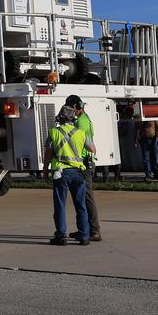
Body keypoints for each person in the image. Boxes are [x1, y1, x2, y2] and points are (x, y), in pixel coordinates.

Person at [44, 104, 94, 246]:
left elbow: (48, 153)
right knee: (81, 205)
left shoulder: (53, 132)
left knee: (60, 205)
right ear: (73, 118)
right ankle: (84, 235)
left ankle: (61, 235)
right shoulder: (81, 133)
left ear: (60, 117)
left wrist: (46, 169)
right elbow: (92, 148)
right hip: (79, 172)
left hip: (60, 173)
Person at [64, 94, 101, 242]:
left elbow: (85, 145)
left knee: (86, 198)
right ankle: (86, 229)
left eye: (69, 108)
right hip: (87, 161)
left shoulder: (80, 123)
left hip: (85, 163)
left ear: (75, 107)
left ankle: (93, 230)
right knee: (84, 197)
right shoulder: (85, 119)